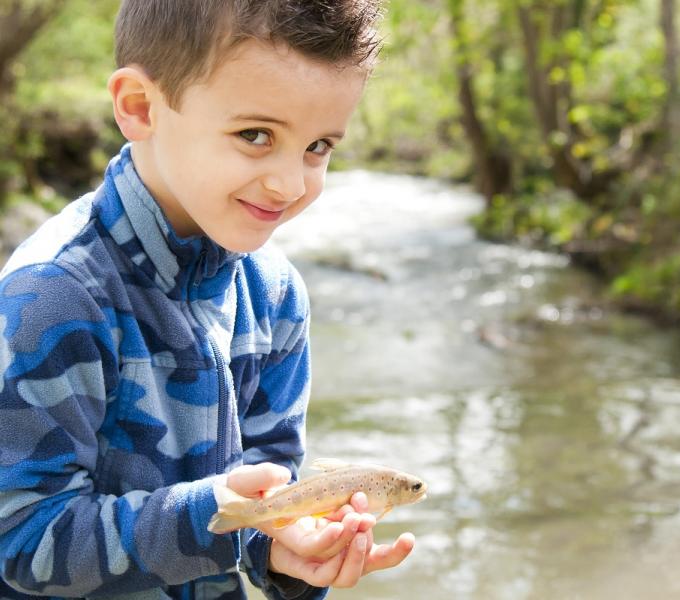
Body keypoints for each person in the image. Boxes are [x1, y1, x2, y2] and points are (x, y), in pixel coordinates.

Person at [0, 1, 415, 598]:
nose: (290, 184)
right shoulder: (54, 297)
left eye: (318, 146)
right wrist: (212, 520)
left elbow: (270, 493)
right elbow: (20, 537)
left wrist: (287, 553)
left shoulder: (275, 297)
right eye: (255, 135)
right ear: (141, 107)